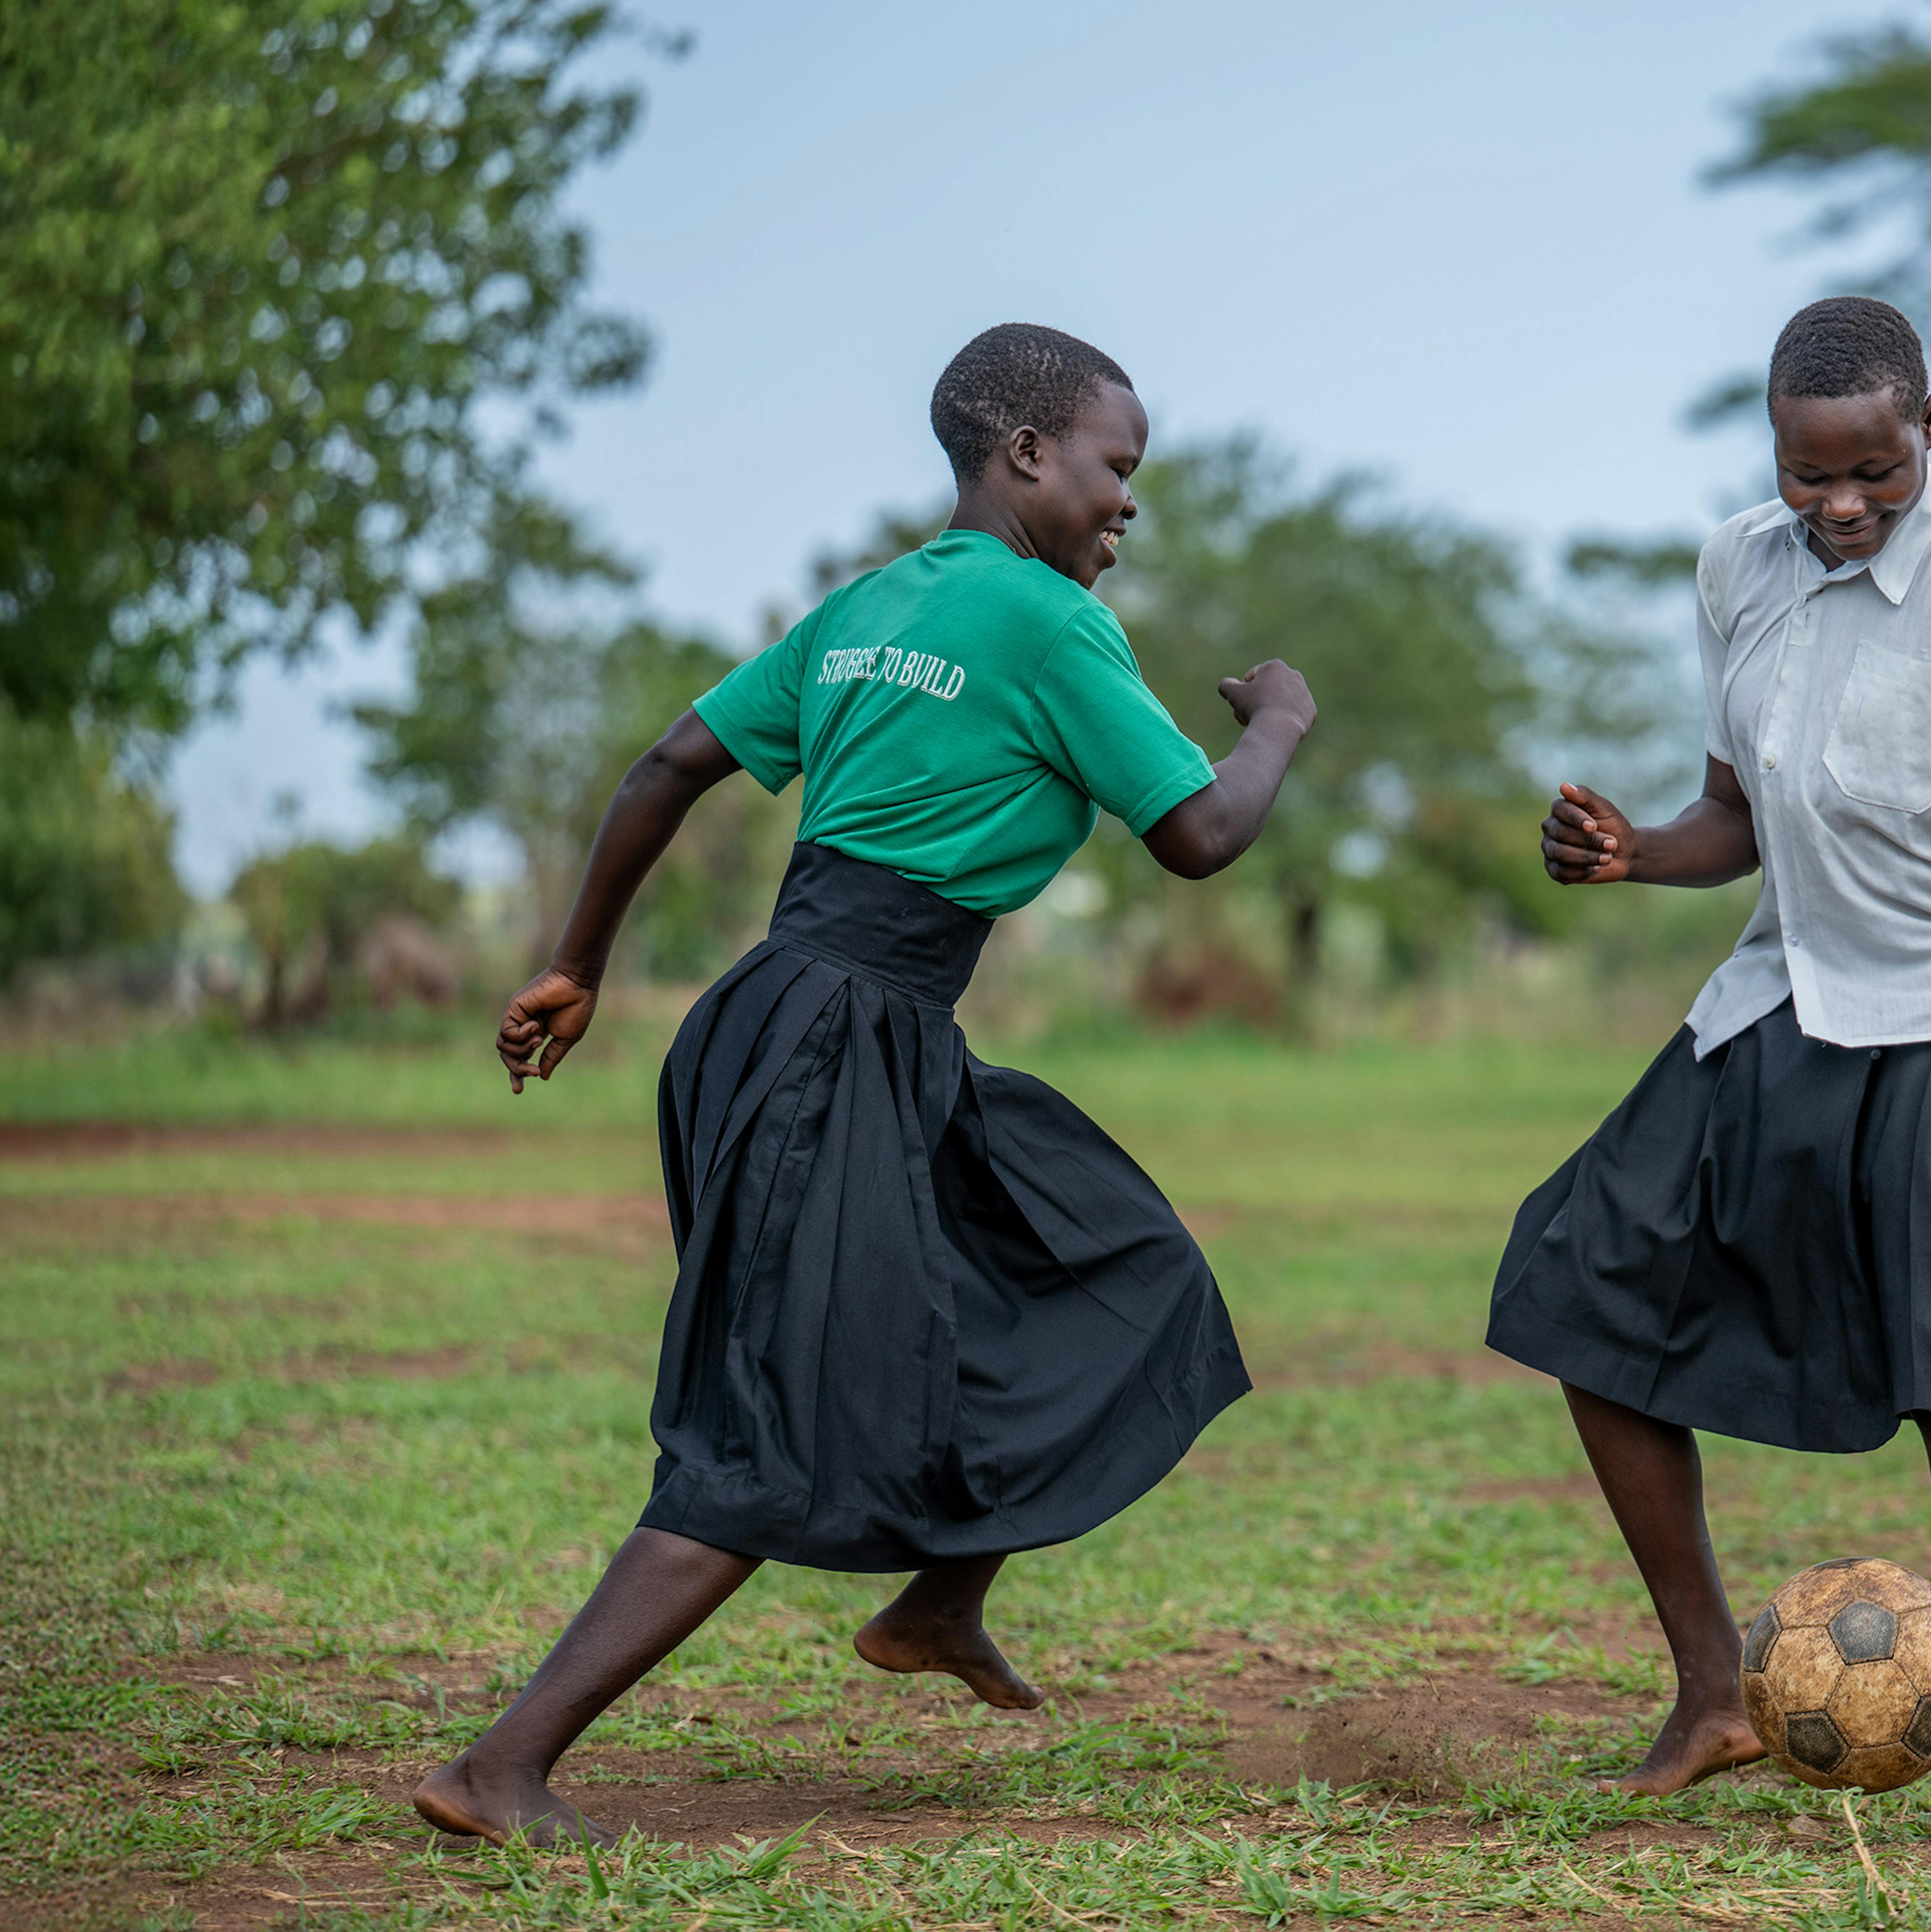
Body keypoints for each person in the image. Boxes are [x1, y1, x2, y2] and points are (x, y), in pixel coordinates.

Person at [412, 324, 1316, 1846]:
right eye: (1116, 466)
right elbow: (1200, 837)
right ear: (1027, 455)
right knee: (771, 1421)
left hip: (813, 1025)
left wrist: (581, 960)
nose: (1126, 504)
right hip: (842, 1039)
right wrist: (1281, 722)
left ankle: (941, 1601)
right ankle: (502, 1763)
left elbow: (663, 765)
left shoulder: (864, 607)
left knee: (1117, 1262)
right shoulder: (1049, 625)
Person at [1488, 297, 1931, 1828]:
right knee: (1582, 1282)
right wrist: (1633, 853)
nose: (1839, 507)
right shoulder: (1738, 568)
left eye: (1872, 474)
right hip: (1780, 996)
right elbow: (1737, 821)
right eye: (1806, 476)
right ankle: (1714, 1688)